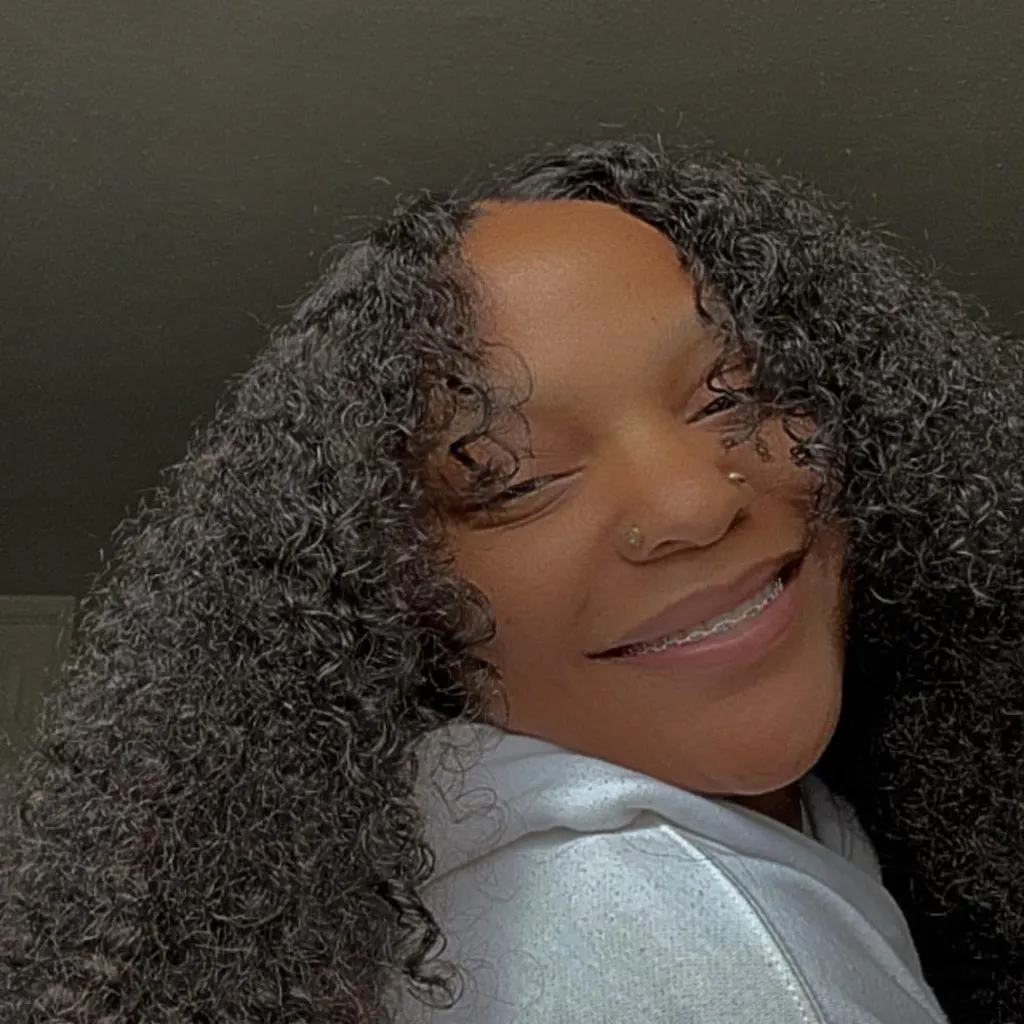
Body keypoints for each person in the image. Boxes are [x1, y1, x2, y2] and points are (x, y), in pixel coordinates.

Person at [0, 139, 1020, 1024]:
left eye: (734, 393)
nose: (689, 503)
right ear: (394, 596)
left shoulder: (817, 814)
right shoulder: (651, 926)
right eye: (512, 477)